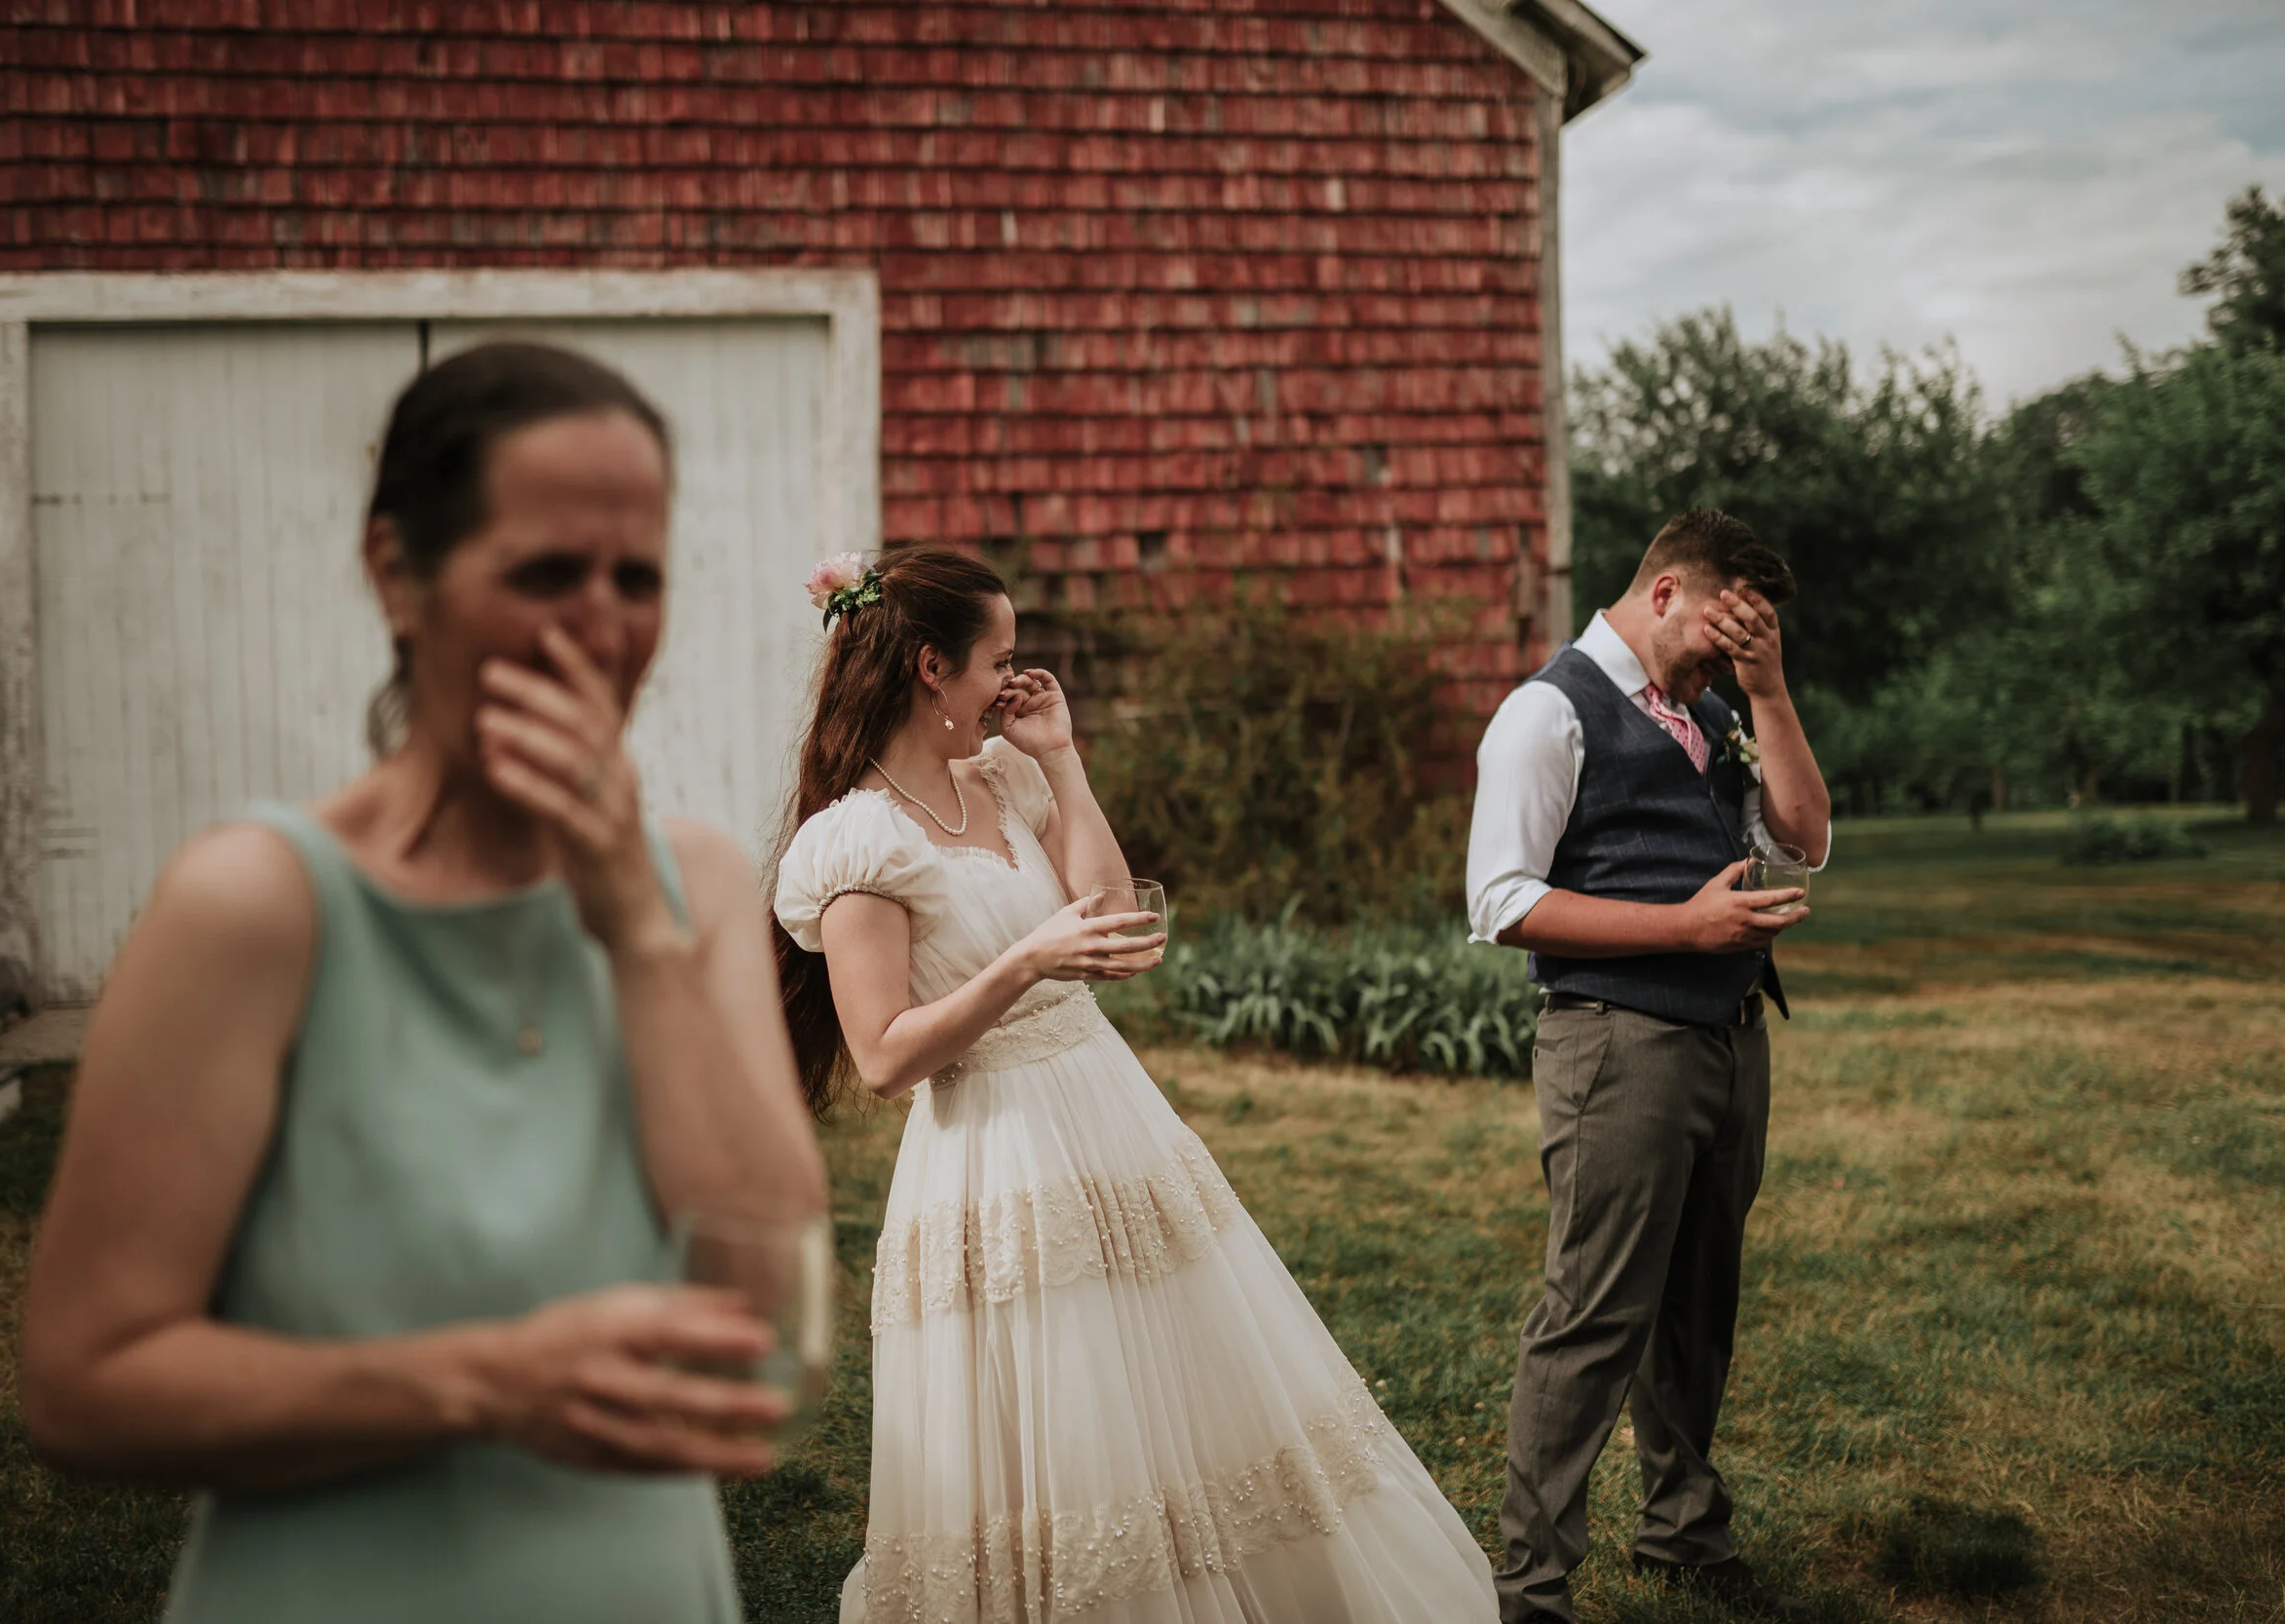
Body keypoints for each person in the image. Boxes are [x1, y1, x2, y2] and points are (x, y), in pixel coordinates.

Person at [20, 341, 828, 1624]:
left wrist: (633, 928)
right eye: (547, 572)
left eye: (640, 578)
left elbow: (771, 1308)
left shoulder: (702, 888)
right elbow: (83, 1380)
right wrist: (488, 1380)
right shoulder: (254, 904)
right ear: (398, 573)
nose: (604, 626)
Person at [772, 547, 1499, 1624]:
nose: (1014, 681)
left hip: (1109, 1115)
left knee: (1186, 1381)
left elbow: (1107, 909)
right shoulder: (854, 843)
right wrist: (1025, 961)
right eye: (999, 660)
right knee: (1071, 1409)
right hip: (999, 1149)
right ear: (932, 666)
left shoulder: (1001, 778)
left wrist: (1061, 759)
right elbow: (881, 1053)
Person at [1465, 509, 1830, 1622]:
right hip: (1617, 1039)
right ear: (1665, 589)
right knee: (1595, 1312)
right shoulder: (1545, 710)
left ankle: (1681, 1529)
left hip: (1728, 1036)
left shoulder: (1716, 707)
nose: (1724, 662)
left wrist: (1765, 693)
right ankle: (1528, 1582)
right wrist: (1684, 929)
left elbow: (1803, 838)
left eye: (1747, 648)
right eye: (1721, 638)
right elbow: (1501, 900)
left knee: (1696, 1305)